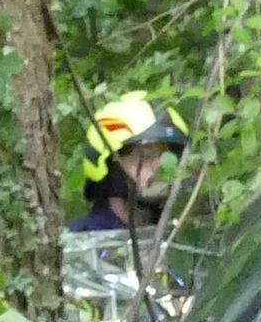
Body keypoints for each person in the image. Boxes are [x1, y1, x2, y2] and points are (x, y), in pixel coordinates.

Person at [69, 91, 180, 236]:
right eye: (146, 155)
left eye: (167, 154)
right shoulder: (82, 240)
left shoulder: (180, 233)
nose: (162, 165)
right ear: (111, 166)